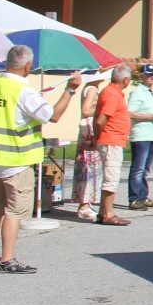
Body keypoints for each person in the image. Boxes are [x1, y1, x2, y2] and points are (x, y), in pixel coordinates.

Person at [0, 44, 83, 273]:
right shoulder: (24, 92)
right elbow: (53, 116)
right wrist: (70, 90)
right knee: (14, 212)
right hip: (17, 159)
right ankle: (7, 259)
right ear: (27, 66)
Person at [92, 64, 133, 226]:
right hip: (111, 140)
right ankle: (108, 214)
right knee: (111, 177)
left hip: (111, 139)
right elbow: (101, 119)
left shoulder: (110, 92)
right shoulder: (112, 95)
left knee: (111, 176)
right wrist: (99, 136)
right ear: (125, 80)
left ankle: (103, 212)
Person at [126, 63, 153, 210]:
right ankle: (134, 199)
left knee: (146, 168)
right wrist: (151, 116)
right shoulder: (137, 92)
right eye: (149, 74)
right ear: (142, 76)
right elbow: (129, 112)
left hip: (152, 134)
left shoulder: (152, 92)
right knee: (138, 168)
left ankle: (143, 196)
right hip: (141, 134)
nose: (152, 76)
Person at [72, 76, 103, 220]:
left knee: (87, 168)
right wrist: (100, 111)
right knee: (89, 168)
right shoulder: (93, 89)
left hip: (86, 132)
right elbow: (86, 110)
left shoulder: (88, 88)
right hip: (89, 132)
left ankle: (85, 202)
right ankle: (84, 205)